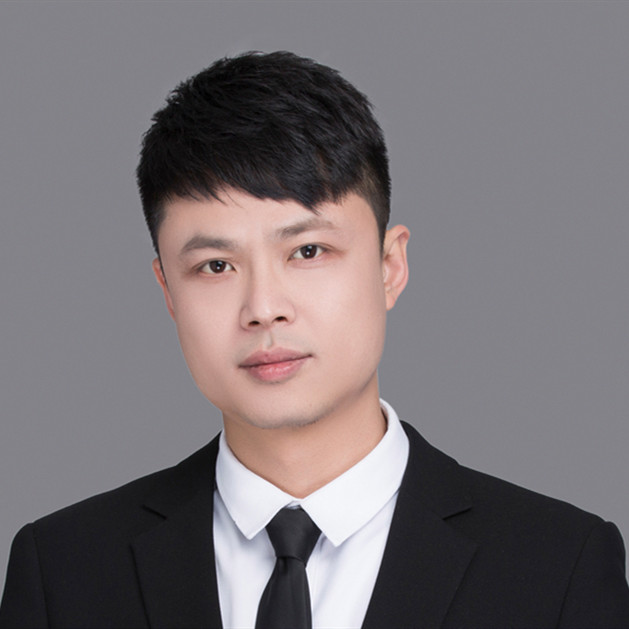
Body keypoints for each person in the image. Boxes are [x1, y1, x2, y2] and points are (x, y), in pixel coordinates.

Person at [1, 51, 628, 629]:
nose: (263, 309)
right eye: (216, 266)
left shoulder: (559, 569)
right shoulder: (62, 571)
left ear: (390, 266)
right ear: (168, 290)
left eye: (308, 251)